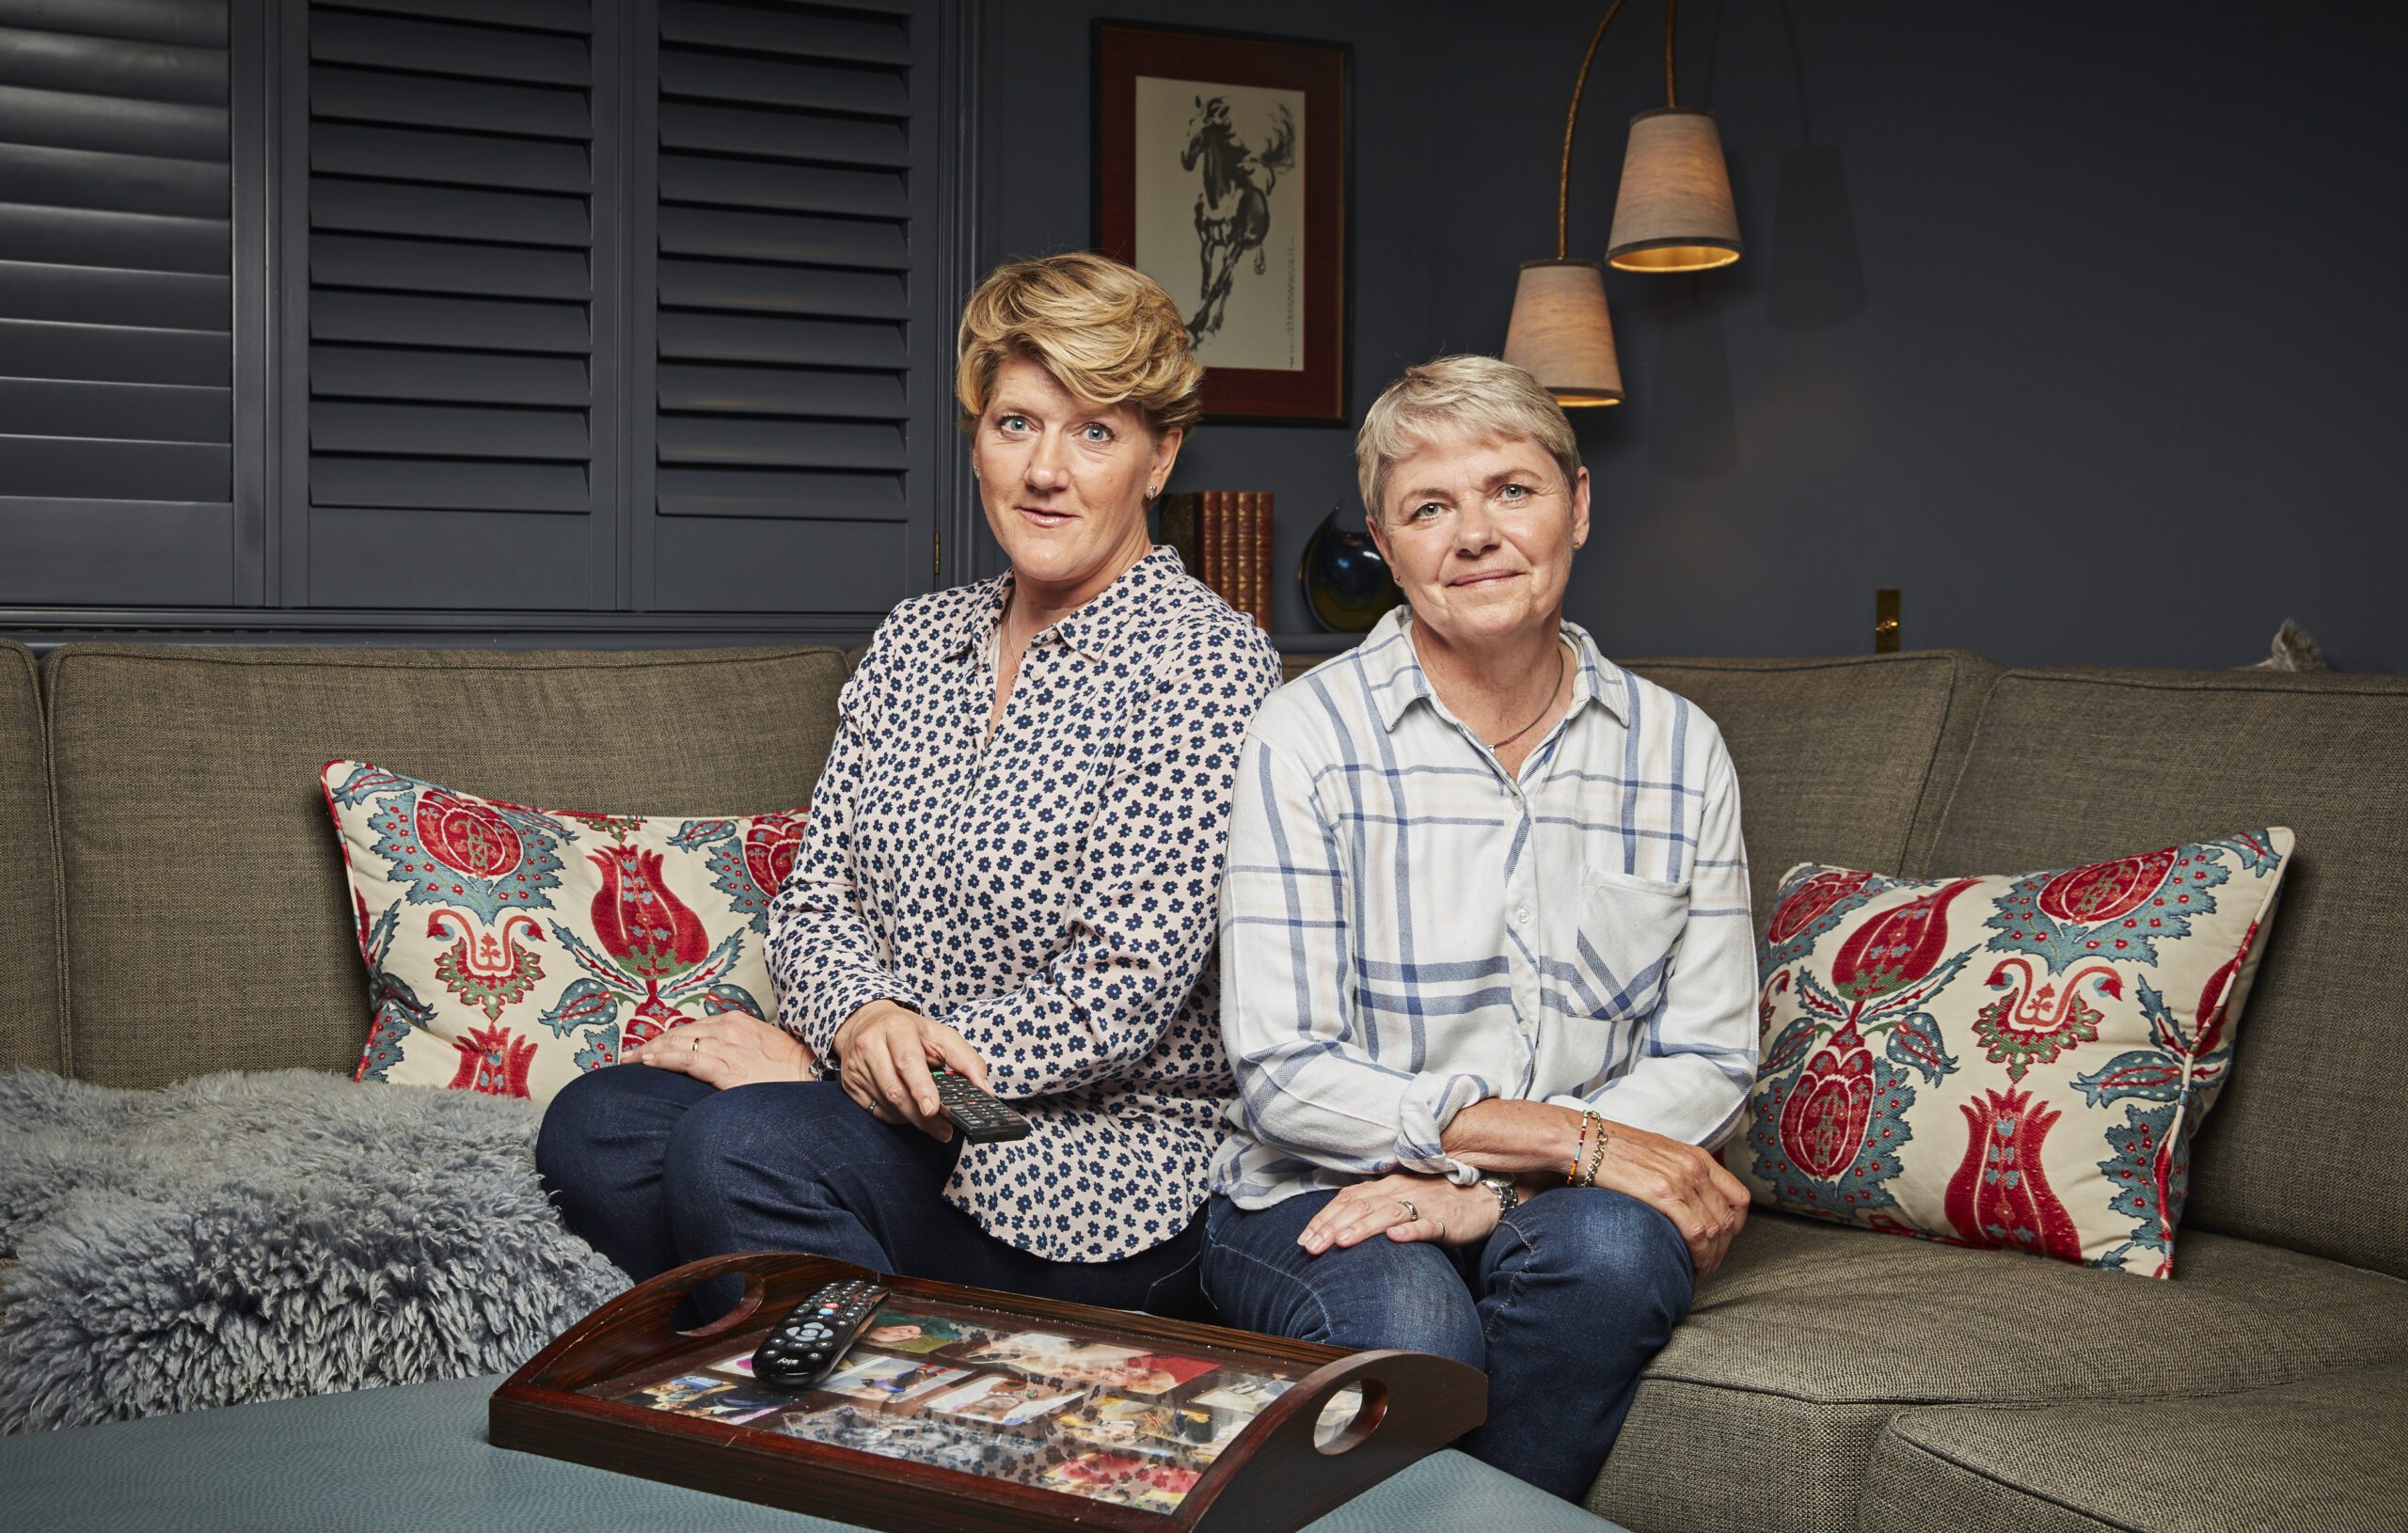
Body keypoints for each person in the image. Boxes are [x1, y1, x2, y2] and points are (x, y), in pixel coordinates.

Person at [538, 252, 1282, 1319]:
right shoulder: (916, 639)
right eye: (1016, 422)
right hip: (888, 1112)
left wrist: (860, 1078)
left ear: (1160, 457)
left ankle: (864, 1426)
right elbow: (817, 895)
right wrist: (854, 1025)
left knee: (741, 1147)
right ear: (977, 436)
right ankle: (888, 1349)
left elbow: (1121, 990)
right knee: (598, 1126)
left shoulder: (1205, 663)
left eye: (1096, 431)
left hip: (1096, 1165)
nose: (1046, 470)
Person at [1198, 355, 1758, 1500]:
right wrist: (1568, 1140)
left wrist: (1496, 1191)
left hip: (1569, 1205)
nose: (1476, 534)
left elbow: (1708, 1056)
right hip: (1317, 1181)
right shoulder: (1303, 737)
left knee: (1611, 1253)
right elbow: (1283, 1070)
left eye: (1512, 490)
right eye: (1430, 507)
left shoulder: (1678, 750)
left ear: (1579, 506)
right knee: (1416, 1335)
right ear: (1384, 543)